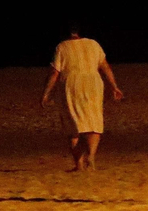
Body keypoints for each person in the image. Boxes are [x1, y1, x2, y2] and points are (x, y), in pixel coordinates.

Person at [41, 25, 124, 170]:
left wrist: (46, 93)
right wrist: (114, 86)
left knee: (73, 124)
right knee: (94, 120)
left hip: (71, 83)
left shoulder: (62, 47)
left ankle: (79, 164)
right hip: (93, 82)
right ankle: (91, 156)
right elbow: (105, 67)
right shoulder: (93, 44)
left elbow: (55, 72)